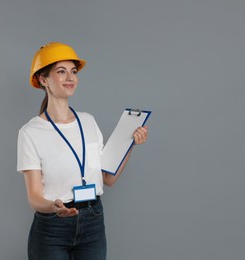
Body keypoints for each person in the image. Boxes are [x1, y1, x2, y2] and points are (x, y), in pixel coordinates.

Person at [17, 42, 148, 260]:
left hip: (93, 220)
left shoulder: (88, 121)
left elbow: (108, 178)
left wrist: (130, 143)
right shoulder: (30, 132)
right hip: (52, 227)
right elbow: (34, 197)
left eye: (73, 72)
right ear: (43, 80)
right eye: (61, 72)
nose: (70, 77)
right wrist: (54, 207)